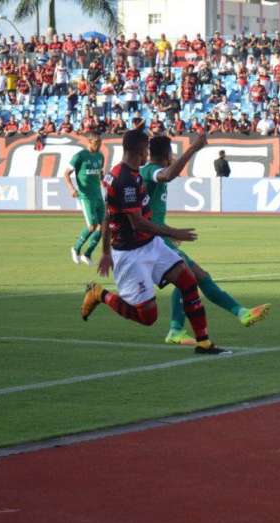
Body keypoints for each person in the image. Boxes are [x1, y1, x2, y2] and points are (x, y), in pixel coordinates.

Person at [80, 129, 229, 355]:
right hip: (131, 253)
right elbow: (138, 223)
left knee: (188, 281)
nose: (147, 155)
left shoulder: (129, 172)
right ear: (140, 150)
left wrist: (105, 251)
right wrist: (173, 232)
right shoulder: (124, 180)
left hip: (151, 245)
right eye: (146, 150)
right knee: (147, 317)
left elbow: (108, 215)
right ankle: (99, 294)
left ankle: (204, 343)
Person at [141, 135, 271, 345]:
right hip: (153, 240)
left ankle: (235, 314)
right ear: (166, 155)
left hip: (158, 237)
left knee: (194, 277)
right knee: (192, 277)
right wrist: (193, 149)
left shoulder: (151, 173)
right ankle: (236, 314)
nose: (173, 157)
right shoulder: (150, 171)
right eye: (171, 154)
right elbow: (167, 175)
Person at [63, 132, 106, 265]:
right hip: (86, 196)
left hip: (98, 195)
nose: (99, 146)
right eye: (96, 143)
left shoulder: (100, 156)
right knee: (92, 226)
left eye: (100, 143)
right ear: (89, 142)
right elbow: (66, 173)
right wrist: (71, 188)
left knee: (103, 227)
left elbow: (100, 172)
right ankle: (75, 249)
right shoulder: (80, 156)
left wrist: (103, 180)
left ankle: (87, 254)